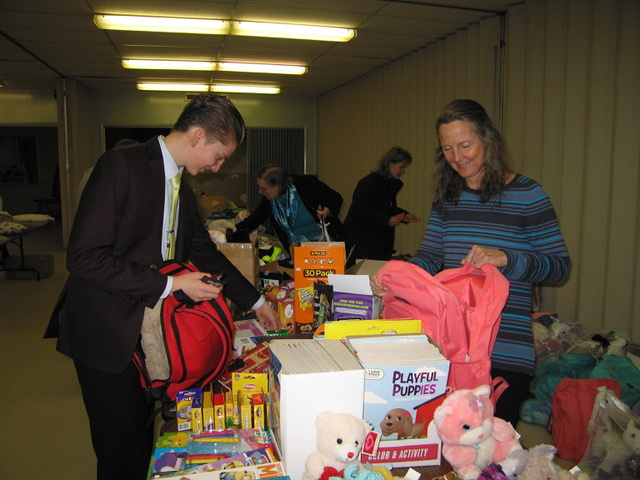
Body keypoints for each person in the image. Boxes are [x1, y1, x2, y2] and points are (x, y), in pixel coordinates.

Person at [44, 93, 281, 480]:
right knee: (118, 446)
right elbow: (84, 257)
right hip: (105, 330)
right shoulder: (121, 166)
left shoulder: (181, 188)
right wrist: (171, 283)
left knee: (142, 434)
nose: (218, 166)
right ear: (198, 136)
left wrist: (255, 302)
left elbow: (206, 254)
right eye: (219, 156)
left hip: (147, 330)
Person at [371, 99, 570, 427]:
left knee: (490, 453)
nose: (457, 157)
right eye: (447, 148)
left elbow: (559, 266)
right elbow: (432, 258)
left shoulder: (528, 194)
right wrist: (395, 275)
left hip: (505, 352)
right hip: (451, 349)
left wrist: (507, 258)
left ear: (487, 140)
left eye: (465, 145)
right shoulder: (447, 197)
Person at [235, 164, 345, 258]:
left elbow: (336, 198)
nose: (260, 191)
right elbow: (254, 219)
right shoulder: (270, 201)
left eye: (264, 188)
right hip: (296, 249)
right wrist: (231, 233)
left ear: (278, 185)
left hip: (324, 245)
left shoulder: (307, 184)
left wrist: (327, 210)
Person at [343, 146, 418, 266]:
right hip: (362, 239)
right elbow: (359, 209)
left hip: (377, 239)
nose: (403, 172)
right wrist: (386, 220)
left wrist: (403, 215)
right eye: (401, 167)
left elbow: (385, 207)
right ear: (390, 164)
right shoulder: (369, 182)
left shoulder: (389, 184)